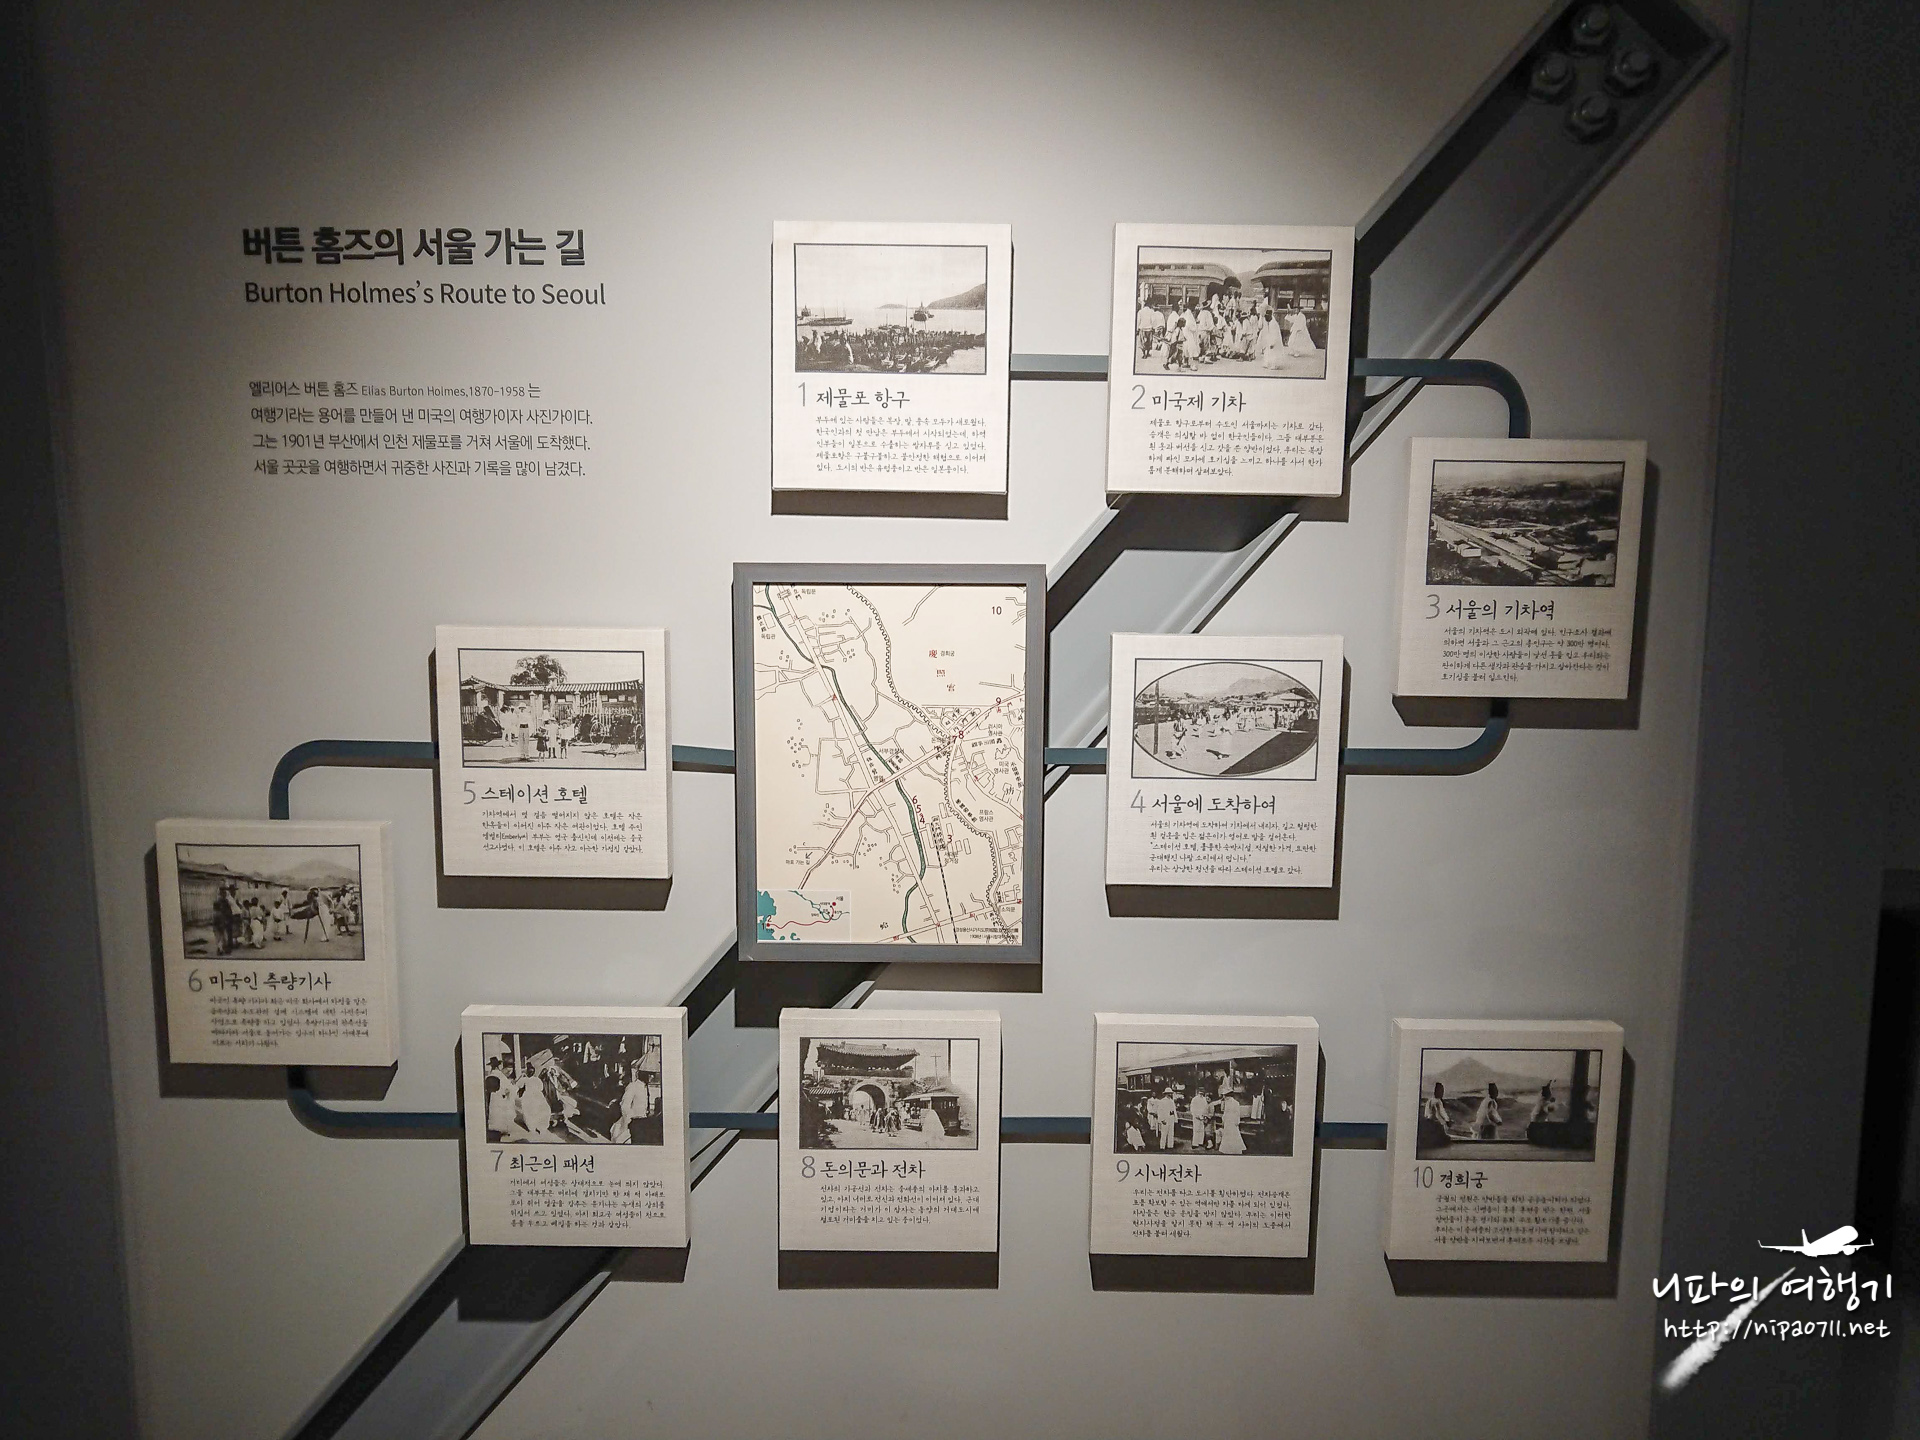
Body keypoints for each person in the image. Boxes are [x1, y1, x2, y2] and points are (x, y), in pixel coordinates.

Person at [1257, 301, 1286, 371]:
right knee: (1267, 351)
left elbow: (1275, 334)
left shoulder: (1273, 323)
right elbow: (1261, 327)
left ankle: (1274, 364)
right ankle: (1267, 363)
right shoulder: (1267, 321)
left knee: (1274, 352)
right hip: (1268, 339)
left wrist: (1273, 343)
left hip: (1274, 340)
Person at [1218, 1090, 1246, 1155]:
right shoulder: (1229, 1103)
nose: (1224, 1097)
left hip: (1232, 1121)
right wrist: (1224, 1120)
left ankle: (1234, 1149)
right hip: (1229, 1121)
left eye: (1224, 1095)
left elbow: (1237, 1113)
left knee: (1233, 1134)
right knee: (1229, 1135)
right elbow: (1226, 1113)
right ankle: (1228, 1149)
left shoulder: (1234, 1103)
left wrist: (1236, 1122)